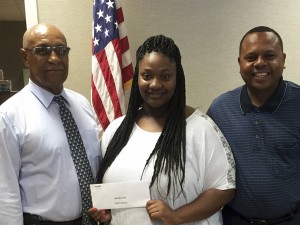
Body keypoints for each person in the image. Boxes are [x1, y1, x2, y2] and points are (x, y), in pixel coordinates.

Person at [88, 35, 235, 225]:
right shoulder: (117, 130)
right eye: (147, 76)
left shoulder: (201, 128)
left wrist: (176, 216)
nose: (155, 84)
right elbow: (112, 194)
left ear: (177, 78)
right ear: (137, 78)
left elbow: (224, 189)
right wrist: (109, 215)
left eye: (165, 76)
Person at [0, 23, 101, 225]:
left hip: (92, 220)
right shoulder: (9, 116)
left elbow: (96, 162)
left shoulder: (82, 104)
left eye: (61, 50)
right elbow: (5, 192)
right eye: (42, 51)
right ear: (25, 57)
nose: (54, 58)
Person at [207, 26, 300, 225]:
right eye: (251, 57)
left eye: (269, 56)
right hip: (234, 220)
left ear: (283, 59)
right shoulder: (219, 110)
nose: (259, 63)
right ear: (239, 62)